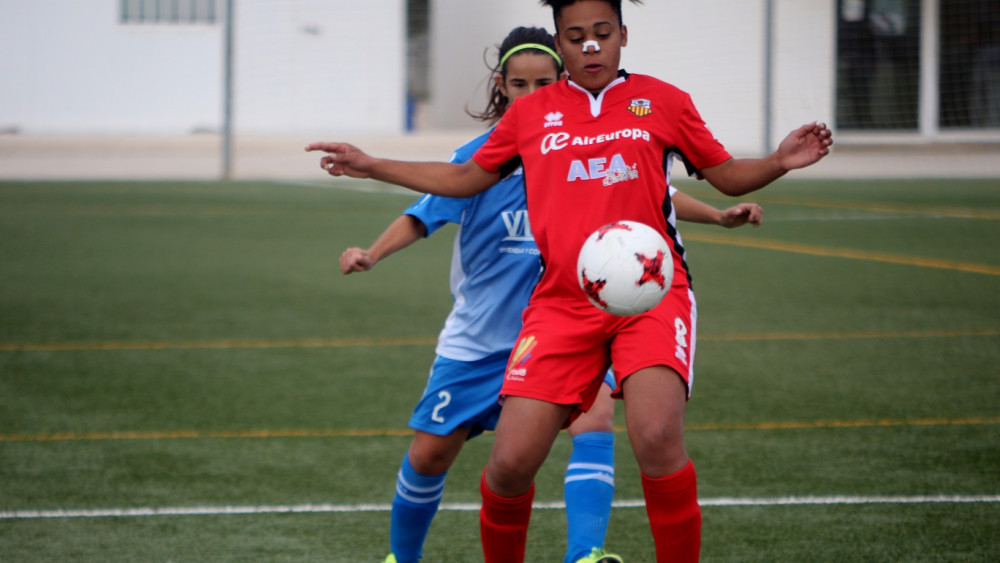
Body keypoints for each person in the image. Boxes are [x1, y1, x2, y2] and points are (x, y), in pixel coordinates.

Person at [306, 1, 832, 560]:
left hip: (652, 298)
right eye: (575, 36)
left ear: (623, 35)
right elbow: (463, 177)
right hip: (560, 304)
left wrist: (778, 160)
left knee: (655, 436)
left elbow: (726, 176)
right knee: (509, 464)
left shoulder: (664, 101)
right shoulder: (532, 116)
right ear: (560, 43)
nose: (589, 46)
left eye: (601, 34)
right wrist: (373, 164)